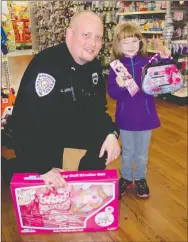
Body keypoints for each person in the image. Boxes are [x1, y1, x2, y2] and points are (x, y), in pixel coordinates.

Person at [2, 11, 120, 189]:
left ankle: (81, 178)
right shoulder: (46, 65)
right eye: (86, 35)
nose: (93, 44)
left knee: (103, 144)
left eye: (98, 37)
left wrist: (111, 134)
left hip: (69, 133)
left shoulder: (94, 67)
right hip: (43, 140)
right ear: (69, 34)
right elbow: (25, 121)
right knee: (32, 177)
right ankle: (10, 168)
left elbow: (98, 110)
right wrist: (43, 168)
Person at [107, 22, 171, 199]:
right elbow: (112, 93)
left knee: (142, 152)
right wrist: (120, 87)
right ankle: (126, 177)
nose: (130, 46)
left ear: (141, 42)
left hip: (146, 117)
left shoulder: (147, 62)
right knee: (127, 151)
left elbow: (164, 73)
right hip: (126, 119)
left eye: (134, 41)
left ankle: (140, 178)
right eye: (125, 42)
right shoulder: (116, 67)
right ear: (118, 45)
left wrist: (166, 58)